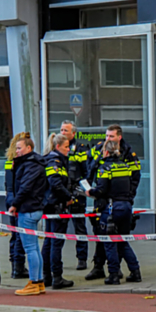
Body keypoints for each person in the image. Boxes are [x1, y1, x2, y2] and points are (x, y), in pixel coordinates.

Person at [85, 124, 141, 280]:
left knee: (111, 239)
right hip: (112, 203)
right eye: (107, 135)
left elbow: (135, 177)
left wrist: (129, 195)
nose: (107, 139)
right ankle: (102, 267)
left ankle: (114, 272)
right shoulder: (98, 149)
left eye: (111, 136)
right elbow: (90, 170)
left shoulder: (128, 153)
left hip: (111, 203)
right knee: (108, 237)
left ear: (119, 137)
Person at [9, 134, 48, 296]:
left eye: (19, 148)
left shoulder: (30, 165)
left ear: (28, 148)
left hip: (28, 209)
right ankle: (38, 282)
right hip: (34, 207)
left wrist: (14, 204)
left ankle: (34, 282)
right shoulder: (35, 163)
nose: (16, 151)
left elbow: (25, 187)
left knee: (30, 248)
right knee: (34, 249)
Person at [40, 133, 75, 289]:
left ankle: (47, 276)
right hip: (57, 206)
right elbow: (56, 184)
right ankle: (57, 277)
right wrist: (69, 197)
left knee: (49, 241)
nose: (69, 150)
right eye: (66, 147)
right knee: (56, 242)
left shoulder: (52, 160)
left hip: (51, 205)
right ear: (57, 146)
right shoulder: (54, 162)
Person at [59, 120, 91, 270]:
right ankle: (56, 259)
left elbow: (87, 172)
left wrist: (84, 189)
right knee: (59, 228)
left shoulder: (81, 148)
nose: (63, 133)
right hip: (61, 192)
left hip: (77, 192)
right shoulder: (56, 147)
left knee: (79, 227)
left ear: (73, 133)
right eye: (61, 130)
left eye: (66, 130)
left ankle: (82, 259)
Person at [5, 133, 28, 279]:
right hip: (17, 200)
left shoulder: (9, 161)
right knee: (19, 234)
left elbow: (7, 183)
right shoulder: (19, 162)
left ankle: (15, 265)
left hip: (9, 198)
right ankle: (18, 267)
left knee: (14, 234)